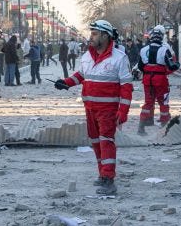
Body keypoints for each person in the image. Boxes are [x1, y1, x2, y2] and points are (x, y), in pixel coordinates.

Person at [54, 19, 132, 195]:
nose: (91, 37)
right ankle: (102, 174)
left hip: (108, 110)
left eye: (95, 34)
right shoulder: (87, 56)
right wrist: (65, 83)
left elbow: (126, 87)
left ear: (105, 36)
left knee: (106, 141)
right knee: (96, 142)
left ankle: (109, 180)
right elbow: (81, 75)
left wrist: (123, 112)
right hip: (89, 108)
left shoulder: (120, 58)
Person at [137, 25, 179, 135]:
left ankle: (141, 128)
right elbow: (171, 66)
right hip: (161, 81)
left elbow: (140, 67)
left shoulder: (143, 50)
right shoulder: (164, 50)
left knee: (148, 103)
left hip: (147, 80)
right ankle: (165, 128)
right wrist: (177, 65)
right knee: (163, 102)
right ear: (162, 37)